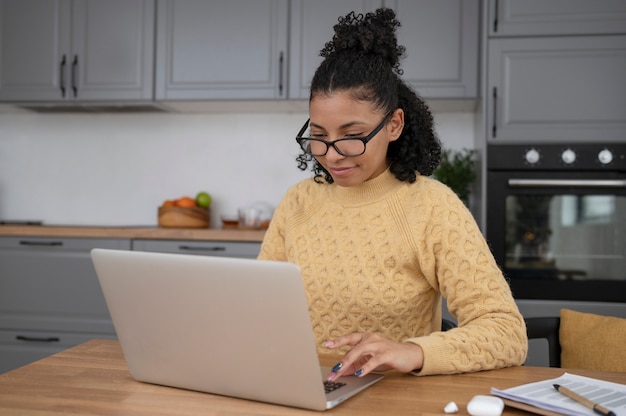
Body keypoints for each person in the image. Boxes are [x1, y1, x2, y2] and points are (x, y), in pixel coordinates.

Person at [257, 8, 527, 378]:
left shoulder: (432, 206)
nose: (332, 155)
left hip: (394, 395)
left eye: (352, 136)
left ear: (394, 125)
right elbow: (258, 306)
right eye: (319, 137)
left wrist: (415, 351)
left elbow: (506, 333)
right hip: (300, 387)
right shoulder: (298, 201)